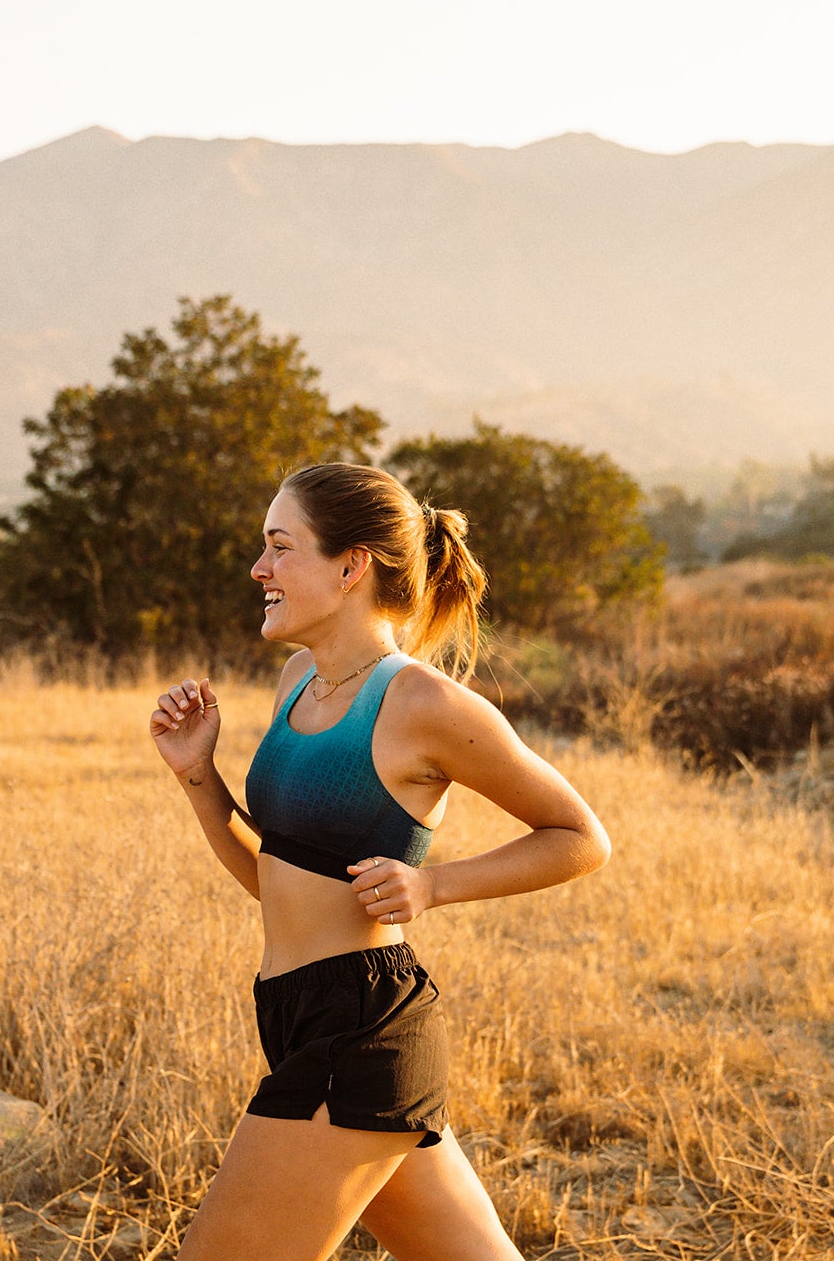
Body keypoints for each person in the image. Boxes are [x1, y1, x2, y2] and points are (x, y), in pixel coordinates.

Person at [148, 462, 611, 1261]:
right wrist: (199, 776)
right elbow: (274, 881)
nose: (260, 569)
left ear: (351, 566)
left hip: (359, 1026)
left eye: (280, 547)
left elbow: (578, 837)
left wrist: (432, 886)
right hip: (292, 1011)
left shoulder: (425, 703)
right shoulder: (301, 682)